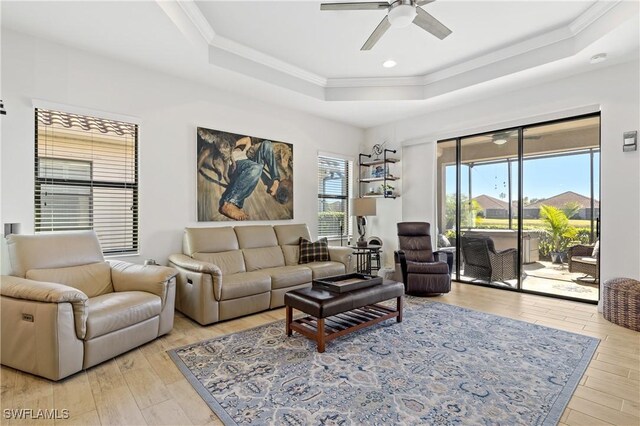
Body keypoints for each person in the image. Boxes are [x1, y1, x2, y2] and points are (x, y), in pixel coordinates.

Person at [219, 137, 289, 220]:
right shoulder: (229, 152)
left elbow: (247, 139)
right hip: (236, 165)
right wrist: (230, 149)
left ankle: (276, 180)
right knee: (256, 168)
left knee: (267, 144)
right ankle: (229, 203)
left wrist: (234, 144)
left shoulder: (244, 150)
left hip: (250, 163)